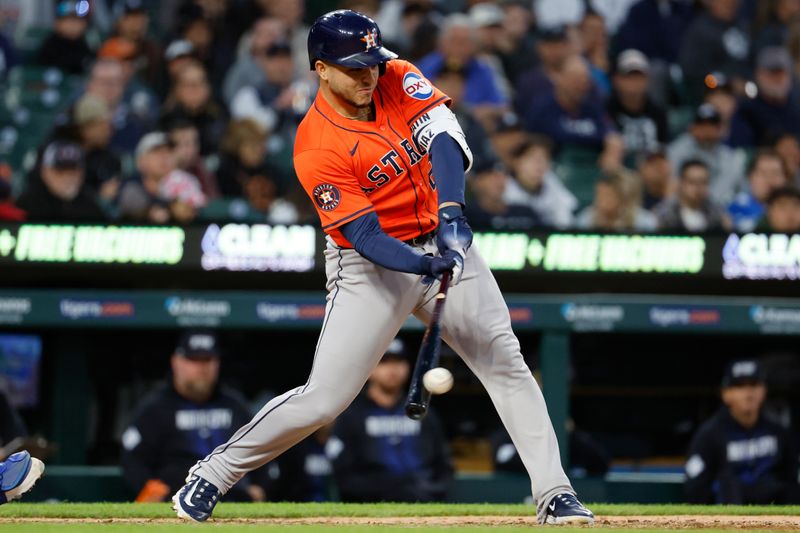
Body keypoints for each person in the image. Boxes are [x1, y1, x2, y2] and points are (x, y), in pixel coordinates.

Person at [172, 10, 594, 526]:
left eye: (371, 62)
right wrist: (423, 264)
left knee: (505, 361)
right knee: (324, 399)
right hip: (370, 264)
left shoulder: (394, 74)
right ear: (321, 69)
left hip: (438, 236)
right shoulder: (315, 146)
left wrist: (453, 214)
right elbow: (367, 236)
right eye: (353, 67)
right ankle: (213, 473)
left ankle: (554, 493)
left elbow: (443, 137)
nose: (368, 75)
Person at [121, 330, 265, 503]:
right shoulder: (156, 408)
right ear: (176, 362)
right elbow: (132, 457)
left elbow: (263, 448)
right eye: (194, 360)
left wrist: (261, 487)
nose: (202, 368)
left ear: (217, 363)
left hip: (233, 499)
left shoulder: (235, 406)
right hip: (176, 501)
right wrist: (149, 487)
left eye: (207, 360)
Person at [327, 338, 453, 502]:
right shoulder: (351, 415)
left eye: (398, 361)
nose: (392, 369)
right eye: (384, 362)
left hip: (423, 503)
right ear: (370, 369)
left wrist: (428, 491)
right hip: (372, 507)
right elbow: (343, 475)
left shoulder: (424, 413)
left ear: (407, 367)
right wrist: (391, 489)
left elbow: (443, 464)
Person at [684, 359, 800, 504]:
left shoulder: (779, 432)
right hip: (728, 517)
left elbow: (792, 481)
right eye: (740, 386)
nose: (748, 392)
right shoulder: (709, 435)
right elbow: (695, 487)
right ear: (726, 394)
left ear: (764, 391)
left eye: (753, 385)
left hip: (773, 518)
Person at [525, 55, 624, 171]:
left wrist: (613, 147)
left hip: (591, 170)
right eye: (574, 79)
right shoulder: (542, 109)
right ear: (559, 78)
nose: (580, 86)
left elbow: (612, 136)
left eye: (584, 81)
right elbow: (532, 146)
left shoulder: (592, 109)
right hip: (557, 171)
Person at [667, 103, 745, 205]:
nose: (707, 131)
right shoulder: (677, 150)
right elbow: (670, 184)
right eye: (702, 125)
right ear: (692, 128)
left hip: (716, 208)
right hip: (683, 205)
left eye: (711, 126)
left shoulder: (729, 157)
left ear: (720, 129)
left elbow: (734, 189)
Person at [16, 140, 105, 222]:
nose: (68, 178)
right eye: (60, 171)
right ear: (45, 171)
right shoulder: (26, 206)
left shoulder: (92, 207)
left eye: (73, 171)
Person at [728, 47, 800, 148]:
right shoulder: (747, 110)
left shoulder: (796, 106)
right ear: (759, 74)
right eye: (773, 73)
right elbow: (741, 150)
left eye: (782, 73)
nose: (778, 78)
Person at [504, 135, 577, 229]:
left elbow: (566, 221)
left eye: (544, 158)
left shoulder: (551, 182)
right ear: (517, 162)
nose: (539, 164)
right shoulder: (504, 186)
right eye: (532, 158)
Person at [607, 50, 668, 161]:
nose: (634, 82)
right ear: (616, 80)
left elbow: (662, 148)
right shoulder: (606, 109)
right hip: (619, 173)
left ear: (647, 80)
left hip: (650, 170)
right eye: (628, 77)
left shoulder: (657, 112)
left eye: (639, 77)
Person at [653, 159, 732, 232]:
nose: (698, 188)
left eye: (703, 182)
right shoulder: (664, 214)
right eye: (692, 182)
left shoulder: (717, 214)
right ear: (681, 183)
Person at [464, 161, 540, 231]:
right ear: (476, 181)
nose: (499, 180)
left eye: (504, 175)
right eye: (491, 174)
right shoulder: (465, 216)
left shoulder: (525, 213)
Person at [576, 169, 657, 231]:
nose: (601, 201)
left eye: (607, 195)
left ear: (623, 197)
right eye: (599, 195)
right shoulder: (586, 219)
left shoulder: (645, 221)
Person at [728, 149, 789, 231]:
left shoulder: (796, 208)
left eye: (775, 173)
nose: (769, 179)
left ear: (785, 178)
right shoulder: (733, 208)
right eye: (763, 173)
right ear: (750, 177)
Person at [36, 0, 93, 75]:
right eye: (67, 20)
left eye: (77, 20)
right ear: (57, 23)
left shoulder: (88, 44)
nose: (72, 26)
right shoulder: (49, 46)